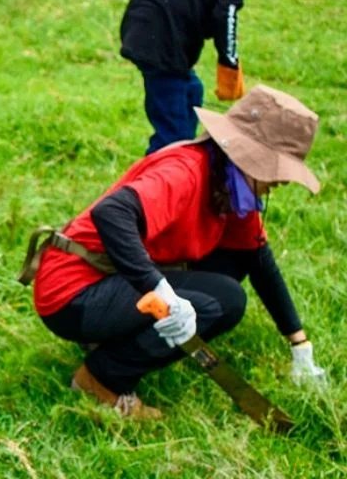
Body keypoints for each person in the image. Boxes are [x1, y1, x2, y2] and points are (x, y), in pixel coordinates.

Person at [24, 85, 326, 419]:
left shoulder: (229, 187)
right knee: (223, 301)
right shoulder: (186, 171)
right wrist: (160, 292)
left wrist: (300, 345)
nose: (280, 183)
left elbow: (257, 257)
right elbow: (112, 213)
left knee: (229, 269)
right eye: (277, 172)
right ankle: (101, 379)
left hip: (109, 280)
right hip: (71, 292)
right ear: (248, 156)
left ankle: (112, 339)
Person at [120, 0, 287, 155]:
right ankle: (149, 187)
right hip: (164, 40)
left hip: (140, 25)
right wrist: (229, 63)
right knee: (172, 138)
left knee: (191, 91)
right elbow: (226, 12)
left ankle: (177, 168)